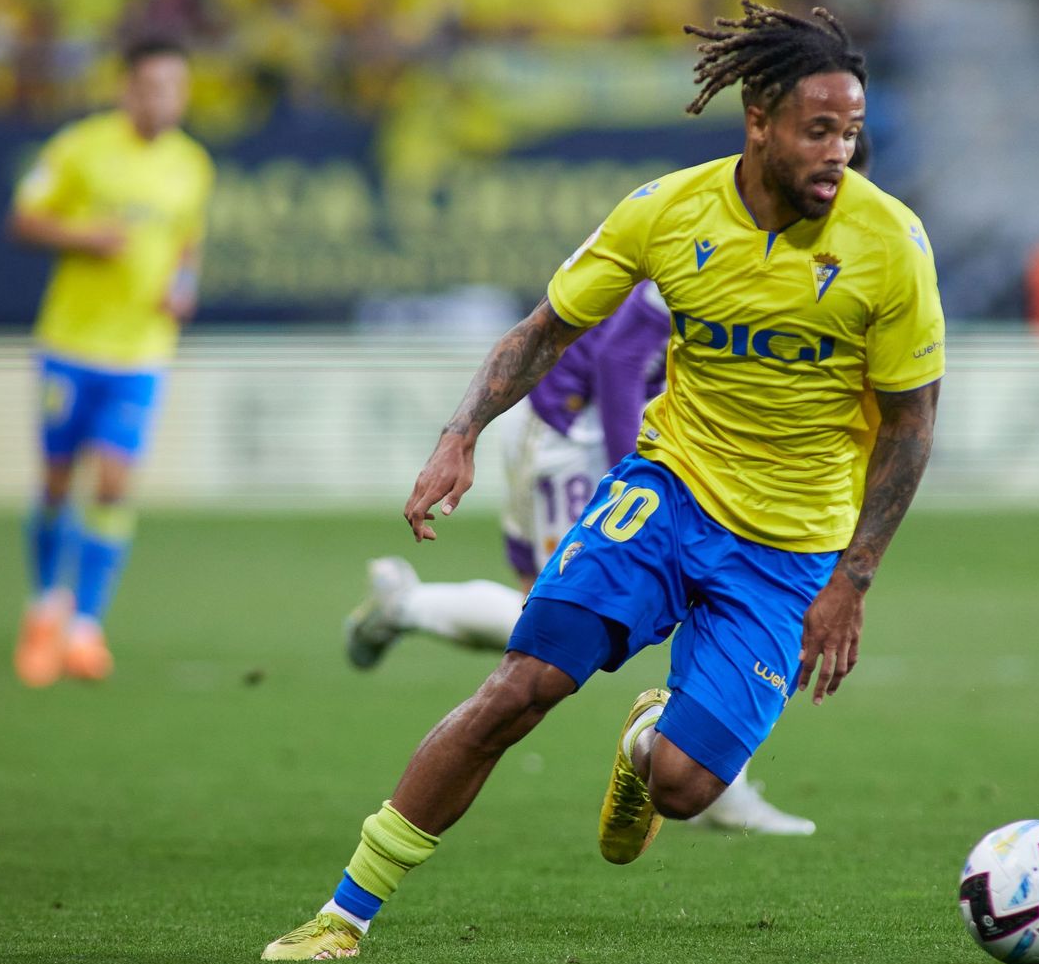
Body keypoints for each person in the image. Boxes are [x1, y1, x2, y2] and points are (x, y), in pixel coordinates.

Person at [261, 0, 942, 960]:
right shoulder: (667, 210)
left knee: (682, 789)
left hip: (792, 549)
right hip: (667, 493)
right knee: (518, 688)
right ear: (759, 120)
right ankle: (344, 915)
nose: (839, 151)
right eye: (818, 129)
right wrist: (459, 436)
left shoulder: (892, 246)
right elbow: (544, 331)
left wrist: (854, 577)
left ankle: (646, 745)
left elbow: (912, 424)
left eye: (852, 131)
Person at [340, 133, 877, 837]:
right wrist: (651, 481)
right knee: (557, 623)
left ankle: (704, 769)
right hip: (578, 427)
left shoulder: (840, 247)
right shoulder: (711, 223)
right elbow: (622, 359)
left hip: (653, 434)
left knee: (665, 609)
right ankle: (409, 606)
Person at [8, 37, 214, 688]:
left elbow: (187, 241)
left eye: (175, 88)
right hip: (71, 344)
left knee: (115, 485)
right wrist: (83, 235)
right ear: (128, 89)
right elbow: (24, 219)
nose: (164, 100)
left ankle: (85, 628)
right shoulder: (81, 147)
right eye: (152, 86)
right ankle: (44, 608)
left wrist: (183, 285)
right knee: (57, 483)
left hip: (142, 351)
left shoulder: (191, 164)